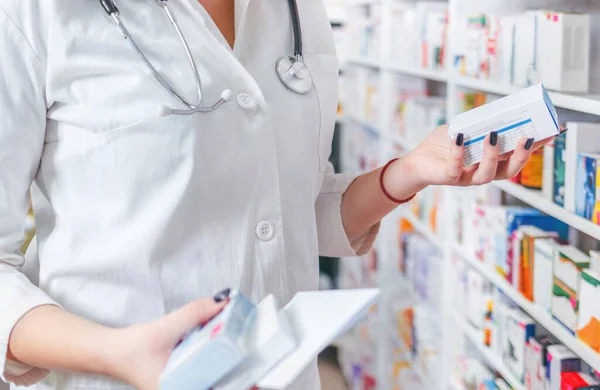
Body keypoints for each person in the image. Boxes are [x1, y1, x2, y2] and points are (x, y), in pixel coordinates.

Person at [0, 1, 550, 389]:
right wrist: (119, 355)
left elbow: (296, 207)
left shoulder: (297, 12)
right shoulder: (34, 12)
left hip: (283, 373)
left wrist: (407, 173)